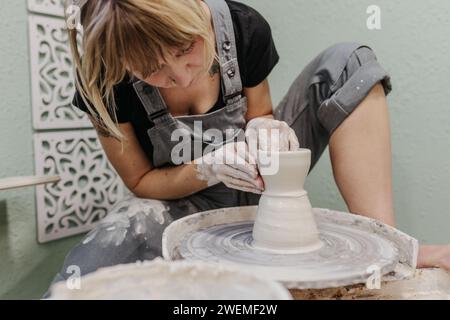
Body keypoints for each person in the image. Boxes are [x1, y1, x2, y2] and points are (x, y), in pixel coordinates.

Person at [46, 0, 450, 295]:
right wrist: (206, 168)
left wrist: (266, 128)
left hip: (260, 178)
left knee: (349, 61)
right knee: (91, 268)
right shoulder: (105, 77)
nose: (182, 78)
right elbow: (140, 179)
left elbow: (259, 113)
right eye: (153, 71)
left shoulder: (241, 27)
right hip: (182, 201)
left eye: (186, 49)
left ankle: (392, 247)